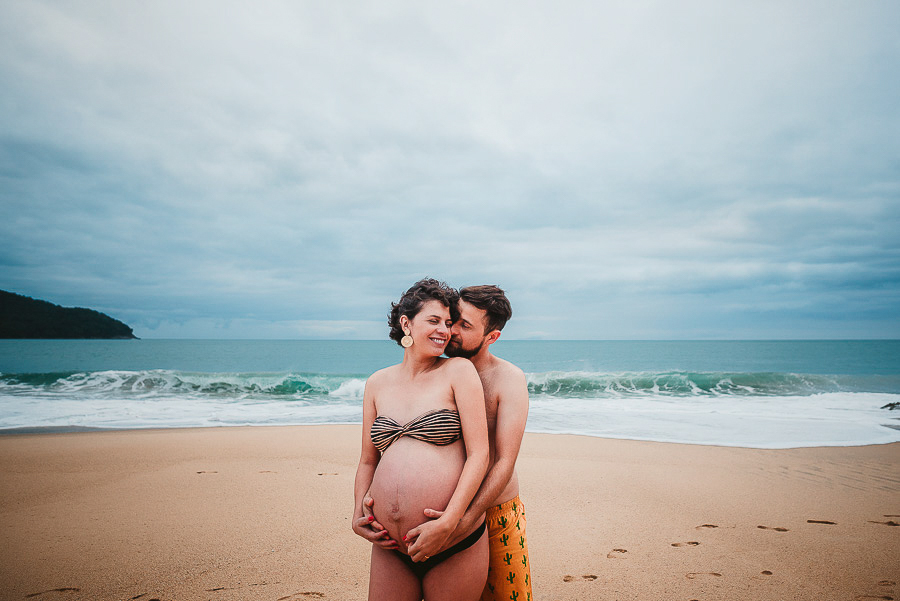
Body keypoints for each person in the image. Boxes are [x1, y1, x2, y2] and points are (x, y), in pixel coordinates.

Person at [352, 278, 490, 601]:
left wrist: (450, 522)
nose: (444, 330)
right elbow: (368, 460)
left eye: (448, 323)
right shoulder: (377, 383)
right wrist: (357, 512)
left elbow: (479, 455)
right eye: (433, 321)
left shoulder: (458, 371)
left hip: (453, 542)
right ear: (406, 324)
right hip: (389, 546)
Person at [413, 284, 532, 601]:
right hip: (437, 513)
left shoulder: (508, 379)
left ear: (491, 337)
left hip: (494, 513)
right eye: (454, 319)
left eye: (465, 326)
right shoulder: (435, 370)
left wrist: (464, 521)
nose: (451, 330)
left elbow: (505, 460)